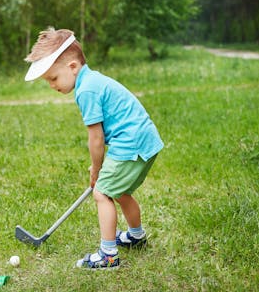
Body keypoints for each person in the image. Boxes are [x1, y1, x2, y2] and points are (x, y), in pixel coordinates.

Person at [24, 27, 163, 269]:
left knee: (102, 192)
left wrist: (96, 169)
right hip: (144, 140)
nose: (52, 86)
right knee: (119, 191)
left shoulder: (87, 90)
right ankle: (135, 236)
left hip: (131, 143)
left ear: (73, 67)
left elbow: (96, 138)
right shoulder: (92, 80)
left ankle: (109, 255)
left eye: (53, 78)